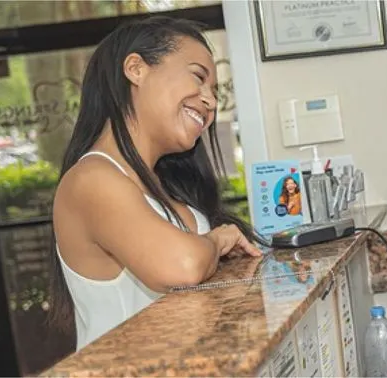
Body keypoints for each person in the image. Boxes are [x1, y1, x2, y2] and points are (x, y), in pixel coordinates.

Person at [47, 16, 263, 351]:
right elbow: (181, 265)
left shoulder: (163, 185)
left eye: (214, 90)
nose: (211, 101)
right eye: (197, 77)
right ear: (136, 69)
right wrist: (217, 241)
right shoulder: (91, 180)